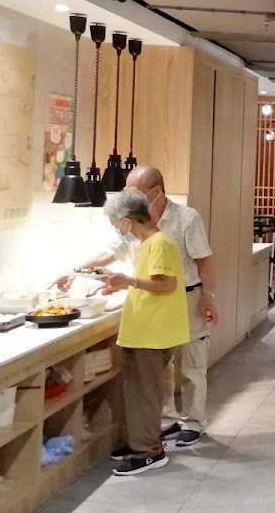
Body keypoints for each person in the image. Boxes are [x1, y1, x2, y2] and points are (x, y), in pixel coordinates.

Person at [57, 166, 218, 448]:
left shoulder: (186, 218)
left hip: (187, 294)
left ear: (156, 191)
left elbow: (203, 260)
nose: (129, 197)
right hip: (152, 298)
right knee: (159, 365)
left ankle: (194, 421)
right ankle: (165, 419)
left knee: (192, 361)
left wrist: (209, 295)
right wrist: (75, 270)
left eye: (135, 192)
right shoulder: (132, 220)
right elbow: (111, 252)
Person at [98, 190, 188, 475]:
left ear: (127, 220)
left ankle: (149, 451)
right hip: (144, 330)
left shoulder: (159, 243)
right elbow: (149, 282)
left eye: (115, 222)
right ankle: (138, 441)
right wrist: (122, 283)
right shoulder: (147, 243)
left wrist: (129, 281)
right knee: (136, 391)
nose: (116, 228)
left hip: (154, 332)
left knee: (145, 394)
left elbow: (166, 284)